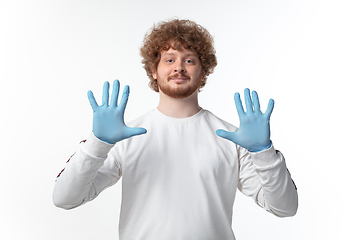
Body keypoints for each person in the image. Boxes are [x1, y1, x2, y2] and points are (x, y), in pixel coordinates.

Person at [53, 19, 298, 240]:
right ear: (154, 71)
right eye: (169, 60)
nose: (178, 67)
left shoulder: (233, 138)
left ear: (203, 73)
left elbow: (285, 207)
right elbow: (65, 199)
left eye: (189, 60)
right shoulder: (125, 137)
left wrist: (264, 152)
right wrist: (98, 142)